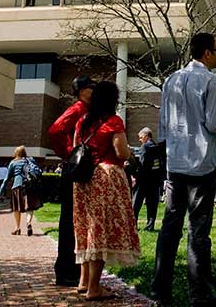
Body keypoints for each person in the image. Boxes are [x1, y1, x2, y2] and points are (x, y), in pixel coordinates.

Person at [151, 32, 216, 307]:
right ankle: (200, 296)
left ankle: (160, 292)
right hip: (202, 165)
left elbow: (163, 125)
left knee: (169, 229)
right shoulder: (212, 82)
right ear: (207, 53)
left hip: (175, 163)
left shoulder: (171, 80)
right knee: (198, 232)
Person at [73, 81, 140, 301]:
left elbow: (76, 148)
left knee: (86, 228)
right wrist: (131, 152)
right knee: (100, 231)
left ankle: (83, 282)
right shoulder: (113, 121)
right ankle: (94, 288)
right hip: (106, 178)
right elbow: (120, 153)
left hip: (83, 180)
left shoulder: (83, 121)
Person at [47, 74, 95, 287]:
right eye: (91, 87)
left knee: (78, 220)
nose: (94, 90)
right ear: (82, 90)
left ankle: (74, 270)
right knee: (70, 221)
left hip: (79, 169)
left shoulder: (88, 110)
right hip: (74, 170)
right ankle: (66, 271)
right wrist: (71, 154)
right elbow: (56, 129)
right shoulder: (76, 110)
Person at [0, 146, 43, 236]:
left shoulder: (13, 163)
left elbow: (6, 179)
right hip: (29, 186)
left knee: (16, 208)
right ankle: (28, 222)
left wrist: (0, 191)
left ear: (16, 153)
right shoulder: (30, 160)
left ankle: (17, 228)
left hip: (17, 186)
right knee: (29, 207)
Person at [132, 126, 164, 232]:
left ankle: (133, 225)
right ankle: (150, 225)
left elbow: (142, 163)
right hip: (155, 181)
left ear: (146, 136)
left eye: (141, 138)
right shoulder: (158, 147)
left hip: (143, 180)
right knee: (152, 205)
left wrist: (136, 175)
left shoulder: (145, 147)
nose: (140, 140)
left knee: (136, 204)